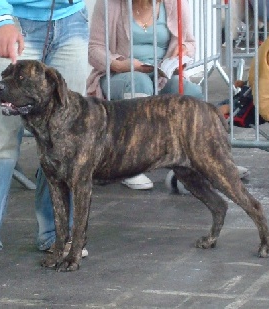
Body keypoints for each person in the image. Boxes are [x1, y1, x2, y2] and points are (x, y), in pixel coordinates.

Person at [0, 0, 89, 271]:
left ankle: (57, 236)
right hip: (16, 20)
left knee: (63, 140)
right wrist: (0, 18)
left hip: (72, 21)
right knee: (1, 142)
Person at [87, 0, 204, 190]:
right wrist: (119, 64)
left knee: (191, 93)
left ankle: (198, 162)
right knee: (138, 82)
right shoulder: (109, 4)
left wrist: (182, 51)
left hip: (161, 76)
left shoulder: (175, 4)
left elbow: (189, 43)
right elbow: (94, 49)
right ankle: (131, 164)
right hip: (119, 74)